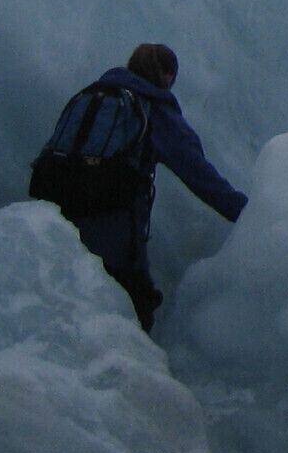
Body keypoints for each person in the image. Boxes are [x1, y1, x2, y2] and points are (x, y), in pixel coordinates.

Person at [30, 43, 245, 331]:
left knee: (66, 302)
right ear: (166, 75)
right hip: (111, 224)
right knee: (132, 307)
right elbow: (199, 174)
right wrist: (249, 214)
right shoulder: (153, 108)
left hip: (55, 213)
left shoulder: (92, 95)